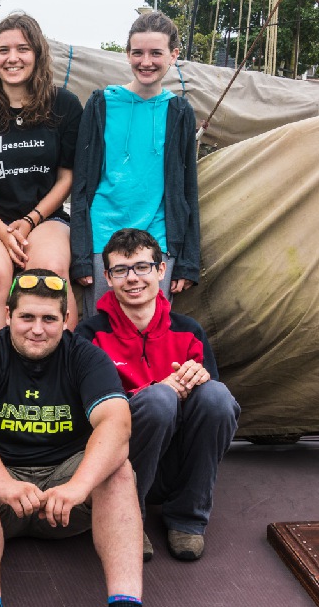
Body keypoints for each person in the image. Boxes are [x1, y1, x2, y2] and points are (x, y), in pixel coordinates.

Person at [0, 268, 163, 607]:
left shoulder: (86, 357)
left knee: (119, 470)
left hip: (66, 498)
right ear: (7, 315)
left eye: (49, 319)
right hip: (3, 492)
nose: (37, 329)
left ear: (65, 321)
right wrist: (4, 484)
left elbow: (117, 425)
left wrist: (78, 486)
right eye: (27, 317)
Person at [76, 229, 239, 562]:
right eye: (121, 270)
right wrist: (156, 390)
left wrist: (199, 381)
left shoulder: (189, 330)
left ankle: (188, 518)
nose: (132, 278)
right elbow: (86, 414)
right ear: (107, 277)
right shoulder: (90, 335)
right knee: (159, 400)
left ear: (161, 270)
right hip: (119, 463)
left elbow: (212, 414)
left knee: (216, 397)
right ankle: (126, 517)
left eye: (142, 267)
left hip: (177, 464)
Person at [71, 10, 200, 318]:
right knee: (101, 328)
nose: (146, 62)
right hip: (103, 237)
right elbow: (81, 184)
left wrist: (188, 261)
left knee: (151, 327)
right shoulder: (101, 104)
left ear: (173, 55)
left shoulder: (179, 111)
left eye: (156, 53)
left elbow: (187, 190)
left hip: (158, 240)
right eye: (138, 52)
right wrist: (81, 256)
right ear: (127, 53)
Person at [0, 13, 83, 338]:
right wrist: (3, 232)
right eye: (3, 50)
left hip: (44, 218)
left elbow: (67, 177)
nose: (12, 58)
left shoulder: (65, 105)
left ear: (37, 54)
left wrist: (30, 220)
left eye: (23, 49)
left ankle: (63, 364)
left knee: (50, 273)